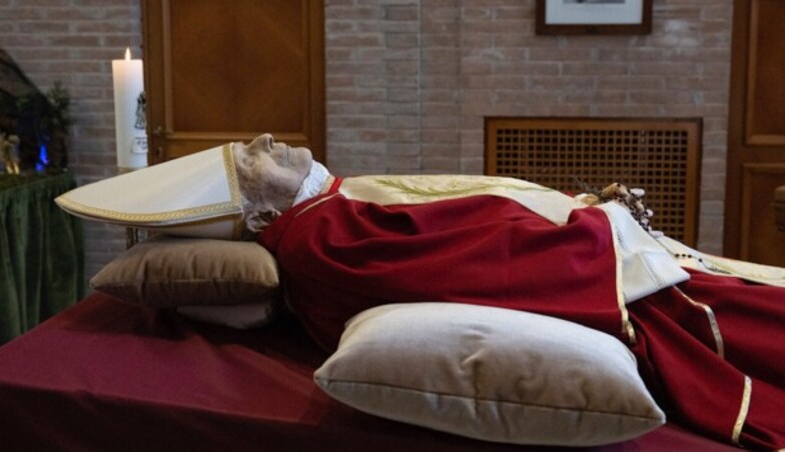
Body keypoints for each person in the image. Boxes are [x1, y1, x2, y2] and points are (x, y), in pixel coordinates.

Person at [233, 134, 785, 450]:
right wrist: (592, 227)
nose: (264, 141)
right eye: (244, 161)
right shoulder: (320, 240)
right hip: (613, 277)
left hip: (607, 248)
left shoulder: (328, 207)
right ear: (254, 209)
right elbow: (479, 266)